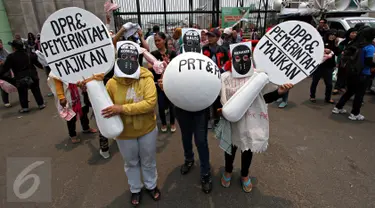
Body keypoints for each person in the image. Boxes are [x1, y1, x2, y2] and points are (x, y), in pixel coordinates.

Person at [101, 40, 160, 206]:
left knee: (148, 160)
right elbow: (106, 107)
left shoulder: (146, 78)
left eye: (132, 57)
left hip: (147, 129)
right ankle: (135, 189)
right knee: (131, 162)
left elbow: (150, 103)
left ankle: (151, 185)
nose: (128, 60)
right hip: (124, 133)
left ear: (137, 58)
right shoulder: (111, 83)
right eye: (124, 56)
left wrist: (121, 109)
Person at [218, 66, 293, 192]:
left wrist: (279, 92)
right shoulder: (225, 77)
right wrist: (219, 110)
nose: (241, 60)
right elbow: (220, 97)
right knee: (230, 147)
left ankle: (244, 174)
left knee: (248, 147)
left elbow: (265, 98)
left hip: (251, 121)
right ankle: (228, 170)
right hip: (231, 121)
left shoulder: (257, 77)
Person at [332, 27, 375, 121]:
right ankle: (355, 113)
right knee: (359, 94)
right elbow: (368, 63)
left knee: (350, 91)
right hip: (363, 73)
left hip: (350, 72)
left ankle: (338, 107)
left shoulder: (354, 44)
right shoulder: (369, 47)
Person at [0, 40, 45, 113]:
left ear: (14, 48)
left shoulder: (11, 57)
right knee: (36, 90)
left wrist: (1, 75)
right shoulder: (29, 54)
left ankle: (25, 108)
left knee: (22, 93)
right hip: (33, 76)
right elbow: (38, 64)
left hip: (21, 79)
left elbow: (5, 68)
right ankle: (41, 104)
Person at [51, 76, 97, 143]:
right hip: (69, 96)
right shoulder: (57, 69)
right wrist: (61, 96)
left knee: (84, 112)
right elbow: (58, 83)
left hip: (80, 93)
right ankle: (72, 135)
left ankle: (86, 128)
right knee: (71, 118)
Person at [202, 28, 230, 127]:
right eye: (208, 36)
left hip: (219, 77)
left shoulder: (223, 49)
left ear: (218, 38)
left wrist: (222, 69)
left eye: (212, 36)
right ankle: (208, 119)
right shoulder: (204, 48)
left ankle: (217, 119)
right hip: (207, 78)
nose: (209, 38)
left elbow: (228, 61)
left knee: (218, 99)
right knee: (207, 98)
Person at [150, 32, 177, 133]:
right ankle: (164, 123)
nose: (157, 43)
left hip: (170, 83)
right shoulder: (153, 54)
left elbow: (176, 68)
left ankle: (173, 122)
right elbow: (150, 68)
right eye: (155, 41)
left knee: (171, 104)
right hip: (159, 84)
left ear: (164, 40)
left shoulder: (172, 53)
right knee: (161, 105)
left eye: (159, 40)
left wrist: (168, 64)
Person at [310, 29, 338, 104]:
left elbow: (338, 52)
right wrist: (324, 50)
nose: (332, 37)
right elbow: (315, 51)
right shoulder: (321, 42)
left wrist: (334, 47)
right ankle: (312, 96)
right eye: (331, 35)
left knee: (329, 84)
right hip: (319, 66)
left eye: (334, 35)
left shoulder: (335, 44)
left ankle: (328, 98)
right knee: (315, 82)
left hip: (329, 67)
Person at [333, 28, 357, 94]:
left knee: (348, 76)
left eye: (355, 33)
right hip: (343, 61)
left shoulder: (357, 43)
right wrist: (338, 62)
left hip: (352, 62)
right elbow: (339, 53)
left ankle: (343, 87)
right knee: (340, 74)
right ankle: (337, 87)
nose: (354, 34)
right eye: (352, 33)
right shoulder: (344, 42)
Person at [0, 39, 11, 107]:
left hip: (7, 71)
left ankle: (23, 98)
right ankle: (6, 101)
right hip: (1, 72)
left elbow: (9, 56)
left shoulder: (4, 50)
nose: (0, 44)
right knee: (3, 86)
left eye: (0, 42)